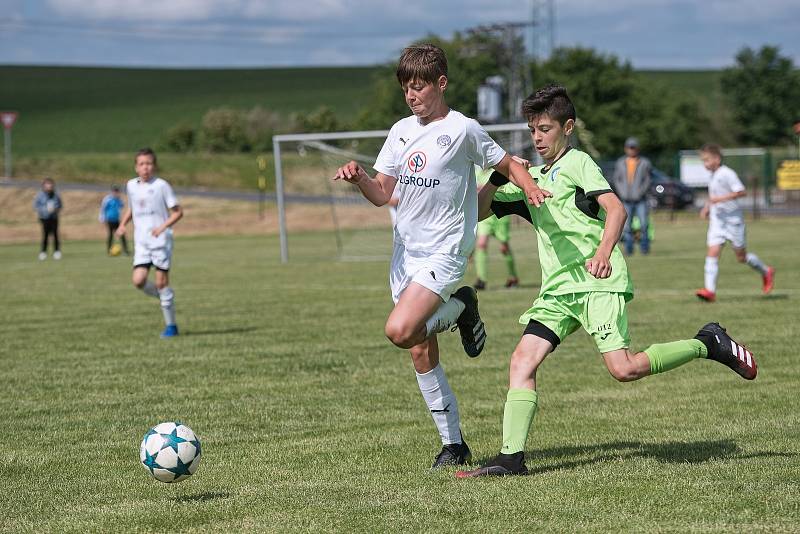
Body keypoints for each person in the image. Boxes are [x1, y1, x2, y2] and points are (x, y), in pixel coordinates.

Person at [455, 84, 758, 478]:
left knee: (623, 369)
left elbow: (616, 210)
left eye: (545, 128)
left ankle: (707, 342)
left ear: (568, 126)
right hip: (559, 293)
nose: (538, 138)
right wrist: (500, 175)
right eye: (533, 130)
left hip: (598, 282)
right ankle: (511, 458)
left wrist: (601, 253)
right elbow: (478, 213)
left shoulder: (578, 162)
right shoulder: (529, 179)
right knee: (522, 360)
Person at [333, 43, 548, 468]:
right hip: (405, 254)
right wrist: (359, 178)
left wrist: (529, 186)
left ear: (441, 84)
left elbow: (508, 163)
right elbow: (382, 195)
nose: (412, 96)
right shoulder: (399, 131)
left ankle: (462, 306)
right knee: (418, 347)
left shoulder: (463, 129)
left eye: (419, 87)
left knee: (400, 330)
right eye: (406, 89)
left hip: (445, 249)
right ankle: (454, 445)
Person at [116, 148, 183, 338]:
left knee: (162, 282)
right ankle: (166, 297)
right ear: (136, 167)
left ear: (154, 166)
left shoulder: (162, 186)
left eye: (149, 163)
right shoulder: (131, 186)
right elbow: (132, 208)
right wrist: (122, 225)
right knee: (138, 281)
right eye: (142, 164)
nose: (146, 167)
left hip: (161, 242)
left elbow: (178, 212)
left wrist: (162, 227)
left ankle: (171, 326)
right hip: (142, 243)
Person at [695, 143, 775, 302]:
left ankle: (766, 271)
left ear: (717, 159)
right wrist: (707, 207)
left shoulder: (727, 173)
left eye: (707, 160)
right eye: (703, 161)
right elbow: (713, 196)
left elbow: (741, 191)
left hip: (733, 222)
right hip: (718, 222)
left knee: (741, 257)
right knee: (712, 252)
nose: (705, 164)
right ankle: (710, 291)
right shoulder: (712, 175)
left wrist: (719, 200)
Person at [473, 166, 520, 290]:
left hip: (498, 214)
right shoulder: (476, 172)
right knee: (481, 244)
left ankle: (513, 276)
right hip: (485, 214)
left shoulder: (497, 171)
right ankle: (481, 279)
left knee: (504, 248)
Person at [611, 137, 652, 255]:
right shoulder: (620, 162)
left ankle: (645, 249)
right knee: (626, 227)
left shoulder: (645, 163)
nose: (632, 150)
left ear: (637, 149)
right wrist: (622, 192)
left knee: (644, 225)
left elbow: (647, 180)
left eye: (634, 148)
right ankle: (629, 250)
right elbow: (616, 179)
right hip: (626, 200)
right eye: (630, 147)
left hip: (641, 200)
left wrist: (640, 192)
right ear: (626, 148)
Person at [33, 177, 63, 260]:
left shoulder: (56, 195)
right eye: (47, 184)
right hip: (44, 217)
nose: (49, 186)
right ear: (44, 186)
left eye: (50, 184)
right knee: (45, 235)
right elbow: (36, 206)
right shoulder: (40, 195)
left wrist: (55, 209)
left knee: (55, 234)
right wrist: (44, 210)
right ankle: (43, 252)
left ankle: (57, 252)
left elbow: (60, 205)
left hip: (54, 217)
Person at [99, 184, 130, 255]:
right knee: (110, 235)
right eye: (115, 191)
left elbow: (122, 206)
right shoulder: (107, 199)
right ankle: (109, 250)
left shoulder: (118, 199)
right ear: (112, 191)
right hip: (109, 220)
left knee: (122, 234)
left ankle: (125, 250)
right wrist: (102, 219)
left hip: (116, 220)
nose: (116, 192)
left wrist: (119, 199)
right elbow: (102, 209)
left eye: (117, 191)